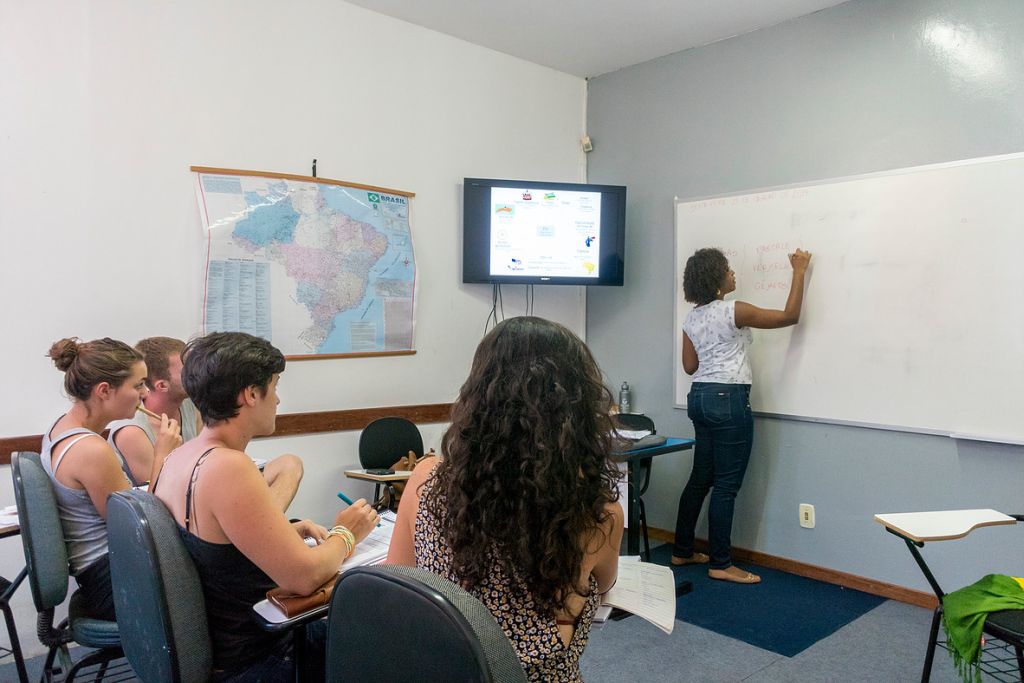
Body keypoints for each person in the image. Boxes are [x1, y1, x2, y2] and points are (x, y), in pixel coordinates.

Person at [388, 316, 624, 682]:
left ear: (477, 396)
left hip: (441, 671)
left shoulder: (425, 480)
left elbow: (396, 584)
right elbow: (606, 585)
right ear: (575, 413)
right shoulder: (596, 515)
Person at [151, 331, 378, 682]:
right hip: (263, 656)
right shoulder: (228, 466)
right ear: (251, 395)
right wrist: (346, 533)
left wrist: (283, 532)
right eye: (273, 388)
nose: (278, 400)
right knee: (389, 643)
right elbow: (305, 578)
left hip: (225, 647)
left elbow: (215, 547)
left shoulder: (181, 456)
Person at [672, 247, 811, 584]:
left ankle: (682, 550)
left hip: (700, 397)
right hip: (728, 399)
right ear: (717, 281)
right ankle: (721, 563)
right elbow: (789, 316)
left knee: (700, 477)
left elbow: (690, 366)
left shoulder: (692, 318)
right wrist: (799, 271)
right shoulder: (734, 310)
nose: (733, 274)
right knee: (726, 486)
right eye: (728, 270)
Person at [42, 337, 181, 620]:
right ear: (104, 390)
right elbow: (141, 526)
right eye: (137, 384)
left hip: (110, 570)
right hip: (115, 582)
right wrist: (162, 456)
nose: (144, 393)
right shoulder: (90, 449)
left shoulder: (61, 429)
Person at [109, 336, 303, 509]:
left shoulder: (191, 406)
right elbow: (159, 506)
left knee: (289, 463)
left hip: (200, 486)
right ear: (162, 385)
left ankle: (268, 526)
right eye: (186, 370)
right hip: (182, 503)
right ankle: (266, 528)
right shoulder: (132, 432)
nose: (196, 373)